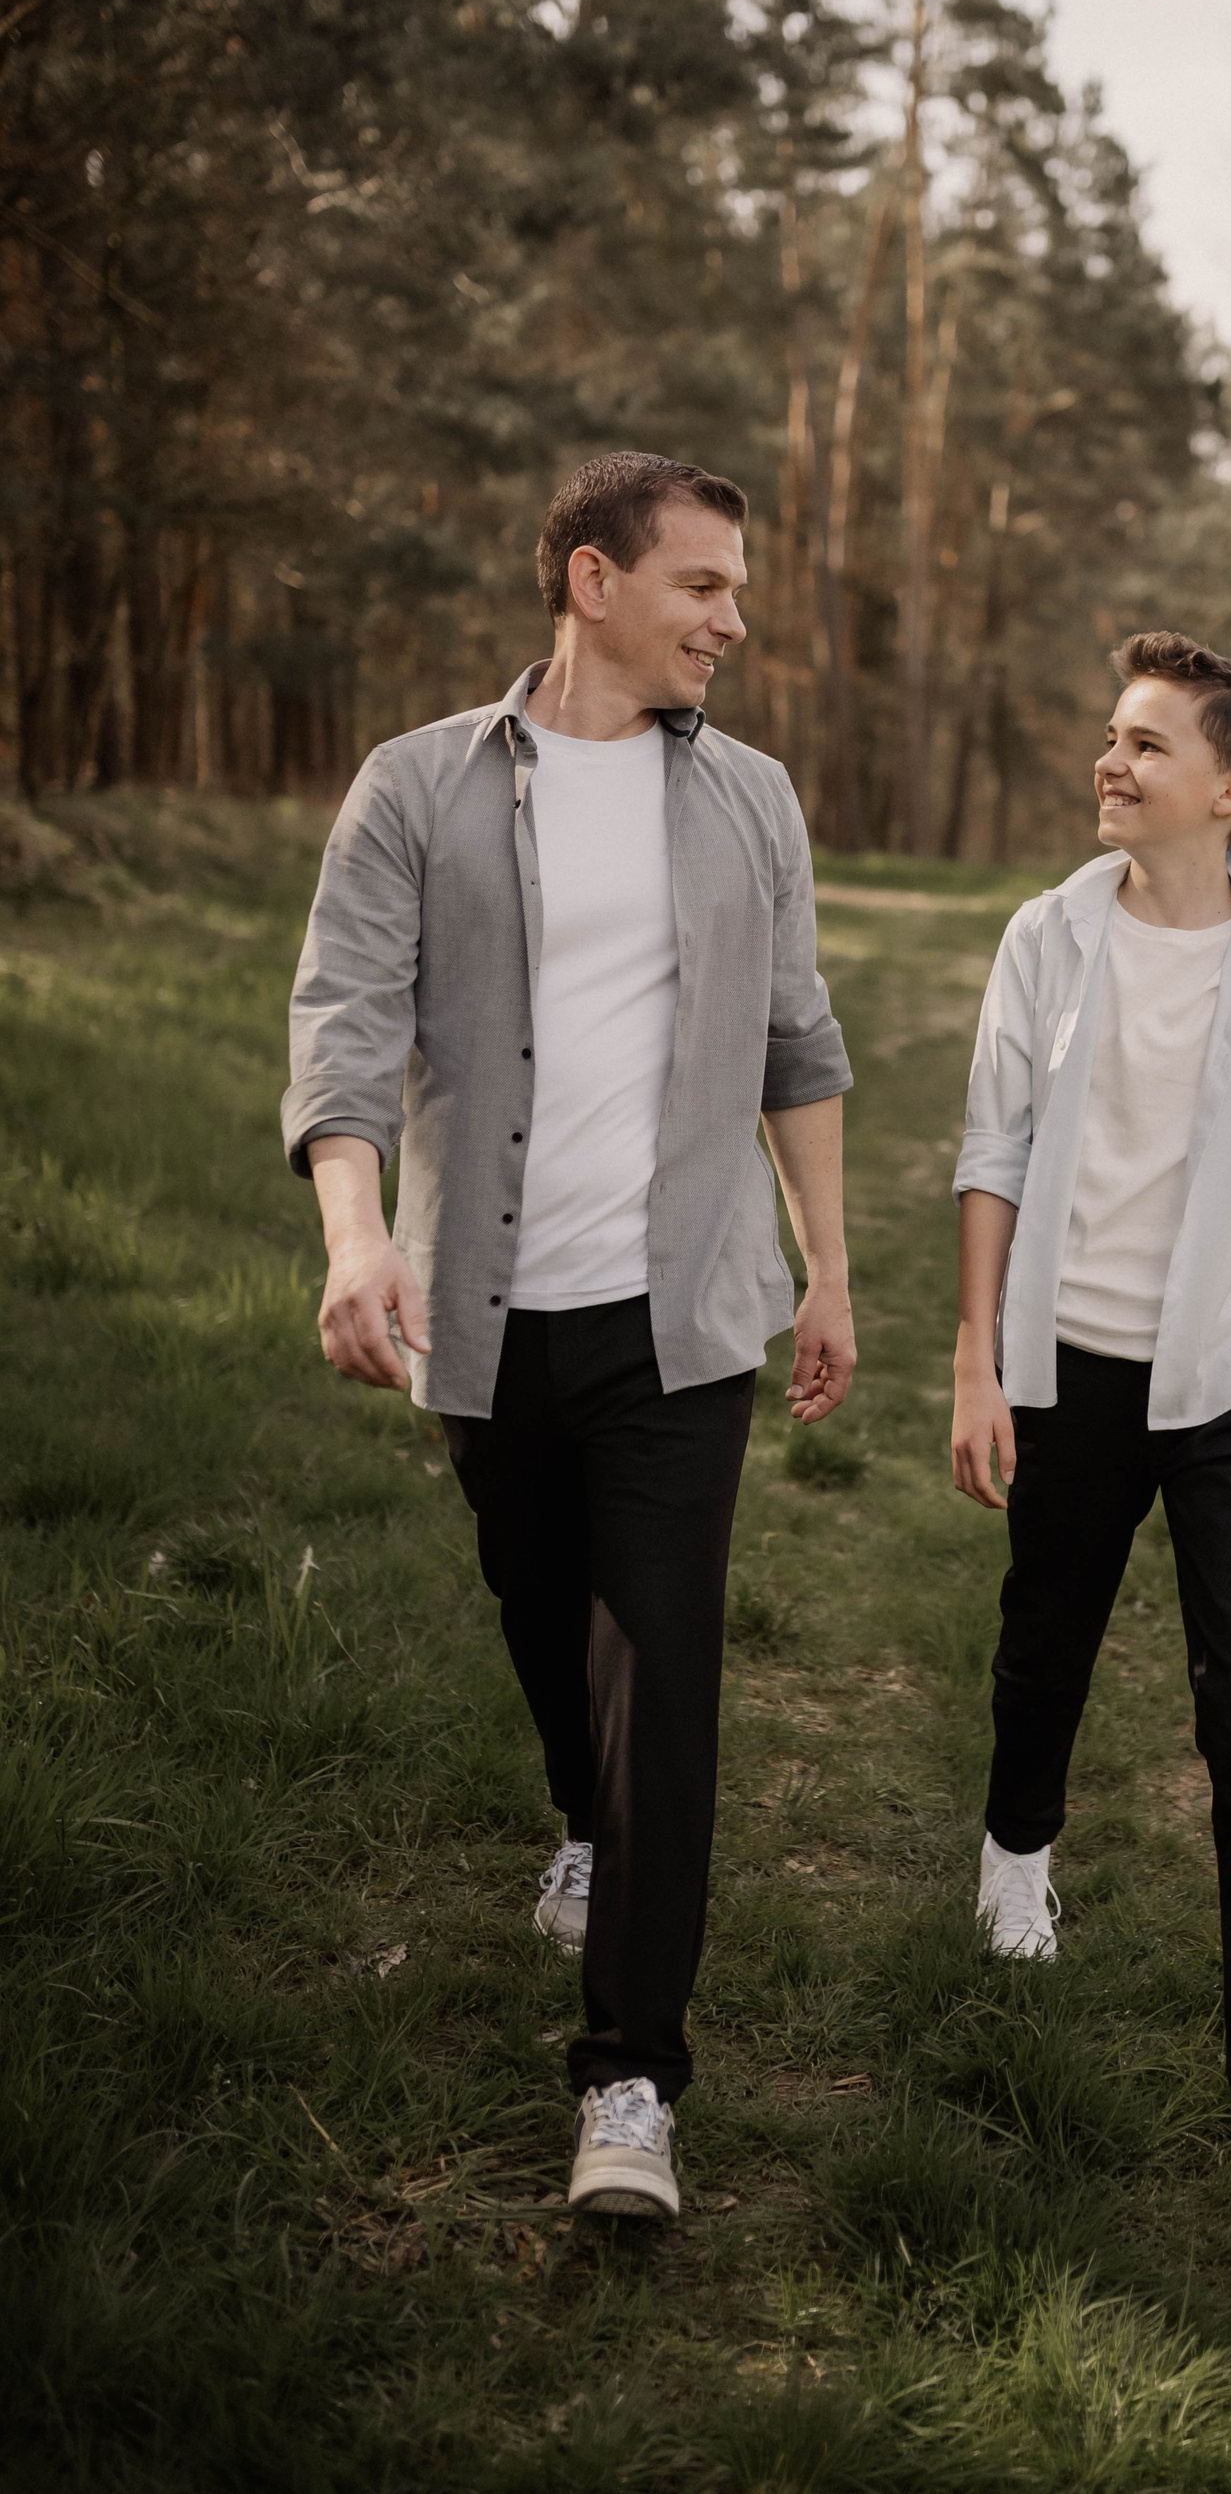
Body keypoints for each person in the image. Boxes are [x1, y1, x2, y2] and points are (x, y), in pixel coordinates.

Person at [282, 451, 855, 2224]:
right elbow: (343, 1023)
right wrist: (358, 1236)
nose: (733, 620)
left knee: (659, 1674)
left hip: (683, 1317)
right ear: (594, 581)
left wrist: (829, 1264)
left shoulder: (752, 797)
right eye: (704, 584)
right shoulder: (418, 784)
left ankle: (630, 2080)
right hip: (485, 1303)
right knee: (546, 1617)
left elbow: (798, 1038)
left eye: (737, 588)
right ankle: (584, 1820)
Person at [949, 629, 1231, 2254]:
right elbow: (993, 1151)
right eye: (1111, 735)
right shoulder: (1049, 933)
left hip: (1227, 1383)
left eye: (1146, 744)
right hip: (1066, 1362)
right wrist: (979, 1359)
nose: (1111, 762)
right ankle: (1016, 1850)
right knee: (1046, 1634)